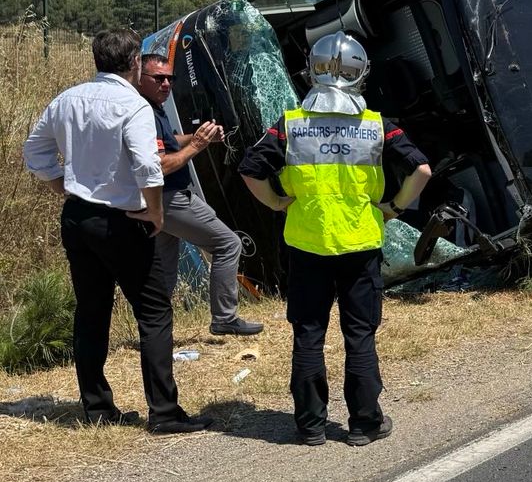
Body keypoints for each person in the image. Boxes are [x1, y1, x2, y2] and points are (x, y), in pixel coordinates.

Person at [239, 31, 431, 446]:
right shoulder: (378, 126)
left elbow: (251, 168)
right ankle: (364, 424)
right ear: (361, 74)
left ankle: (310, 426)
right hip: (360, 246)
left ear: (312, 71)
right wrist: (394, 207)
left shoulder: (290, 125)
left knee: (309, 334)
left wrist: (276, 202)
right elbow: (422, 171)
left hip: (307, 245)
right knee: (358, 334)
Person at [23, 30, 211, 433]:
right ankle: (163, 410)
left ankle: (96, 407)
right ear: (134, 64)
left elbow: (34, 150)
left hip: (77, 216)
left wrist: (60, 184)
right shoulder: (133, 105)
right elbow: (148, 167)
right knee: (154, 311)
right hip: (123, 218)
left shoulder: (67, 99)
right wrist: (156, 213)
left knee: (91, 311)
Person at [135, 53, 263, 336]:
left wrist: (196, 137)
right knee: (228, 244)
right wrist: (197, 147)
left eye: (170, 78)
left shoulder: (152, 108)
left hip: (158, 200)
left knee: (165, 271)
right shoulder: (144, 112)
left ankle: (156, 328)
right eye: (159, 78)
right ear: (139, 78)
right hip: (170, 198)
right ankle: (224, 317)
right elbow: (162, 165)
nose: (166, 84)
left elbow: (167, 143)